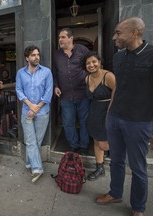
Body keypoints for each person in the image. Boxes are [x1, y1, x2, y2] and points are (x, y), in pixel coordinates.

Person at [95, 17, 153, 216]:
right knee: (116, 160)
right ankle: (115, 193)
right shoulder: (118, 57)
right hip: (115, 118)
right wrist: (109, 114)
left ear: (135, 33)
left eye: (119, 33)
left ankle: (138, 207)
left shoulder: (151, 55)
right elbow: (117, 90)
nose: (114, 37)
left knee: (138, 167)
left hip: (139, 121)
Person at [16, 45, 53, 183]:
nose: (36, 57)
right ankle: (37, 168)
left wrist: (36, 108)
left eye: (37, 54)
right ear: (27, 58)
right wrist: (31, 106)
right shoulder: (20, 73)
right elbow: (19, 90)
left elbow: (48, 92)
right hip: (27, 111)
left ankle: (29, 162)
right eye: (33, 55)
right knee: (30, 141)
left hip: (42, 112)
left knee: (36, 141)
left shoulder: (47, 72)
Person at [53, 28, 90, 154]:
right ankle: (73, 144)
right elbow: (56, 73)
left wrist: (86, 77)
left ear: (70, 38)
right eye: (59, 38)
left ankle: (84, 145)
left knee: (85, 121)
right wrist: (56, 86)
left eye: (63, 37)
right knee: (68, 122)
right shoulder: (57, 54)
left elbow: (91, 64)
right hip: (65, 96)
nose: (60, 40)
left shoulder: (82, 50)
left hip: (83, 94)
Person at [84, 52, 115, 181]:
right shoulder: (87, 78)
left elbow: (117, 94)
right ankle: (100, 167)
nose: (91, 65)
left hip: (107, 112)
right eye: (88, 63)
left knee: (104, 145)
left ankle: (117, 163)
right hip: (94, 112)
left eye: (94, 62)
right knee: (96, 140)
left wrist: (110, 113)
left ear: (100, 62)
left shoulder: (108, 76)